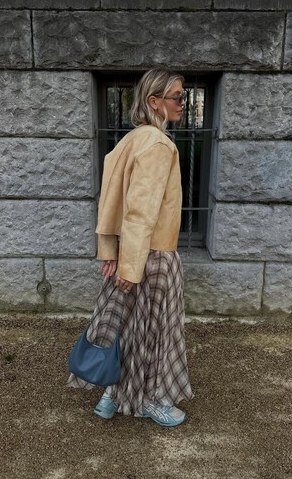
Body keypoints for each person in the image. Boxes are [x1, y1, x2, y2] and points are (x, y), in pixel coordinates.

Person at [67, 68, 193, 427]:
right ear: (154, 101)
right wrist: (131, 267)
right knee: (156, 332)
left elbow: (108, 199)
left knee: (127, 327)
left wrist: (111, 251)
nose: (183, 103)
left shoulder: (131, 140)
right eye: (178, 97)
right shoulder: (158, 144)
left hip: (131, 253)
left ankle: (112, 394)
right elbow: (140, 212)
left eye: (183, 96)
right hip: (152, 256)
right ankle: (152, 400)